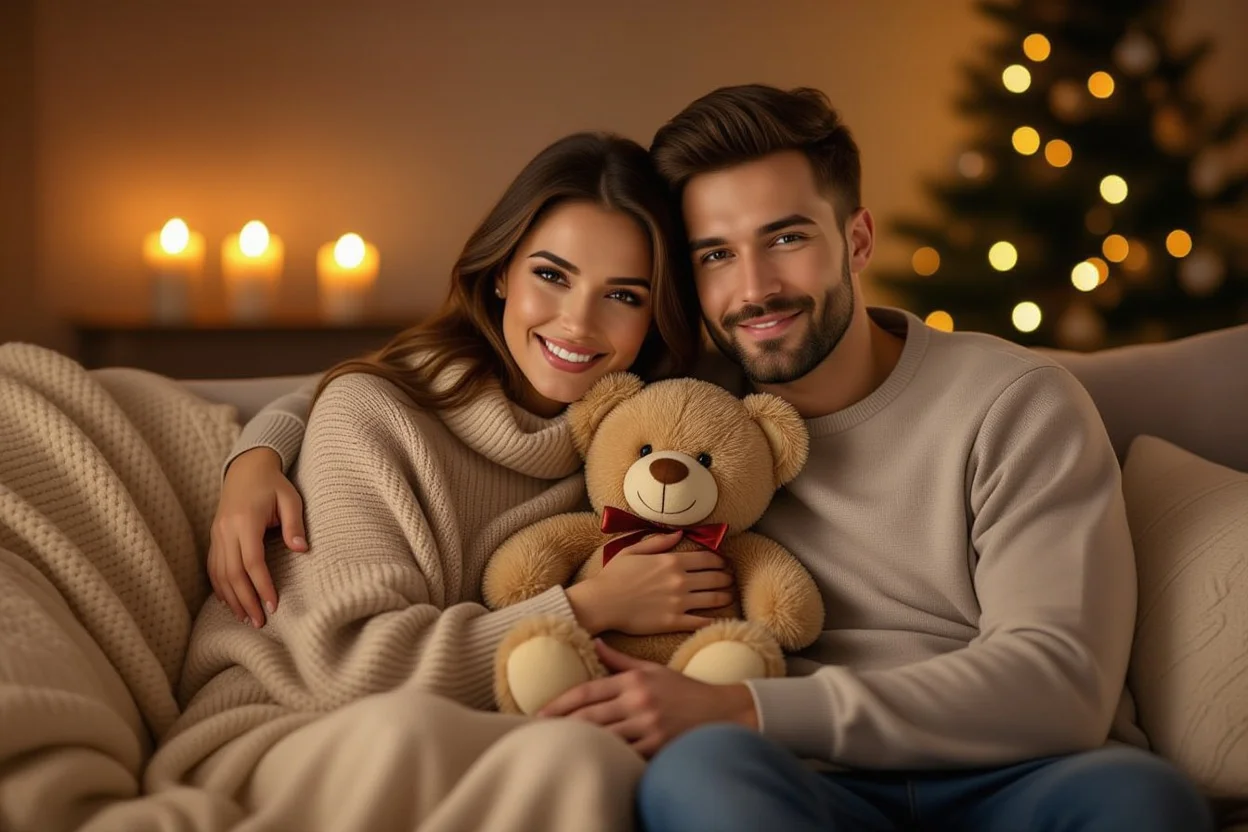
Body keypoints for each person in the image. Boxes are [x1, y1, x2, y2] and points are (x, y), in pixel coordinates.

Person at [209, 88, 1215, 832]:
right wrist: (265, 443)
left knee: (1143, 798)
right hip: (795, 782)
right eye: (715, 255)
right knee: (695, 784)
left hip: (1011, 772)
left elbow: (1062, 683)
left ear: (856, 239)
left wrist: (744, 702)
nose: (755, 288)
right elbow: (433, 383)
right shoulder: (689, 393)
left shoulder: (1014, 403)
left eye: (787, 240)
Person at [146, 132, 730, 832]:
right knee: (574, 763)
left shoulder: (638, 449)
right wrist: (588, 606)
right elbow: (352, 668)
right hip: (282, 726)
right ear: (502, 273)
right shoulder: (376, 414)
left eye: (624, 295)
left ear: (654, 317)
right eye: (552, 274)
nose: (577, 320)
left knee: (604, 760)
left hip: (478, 732)